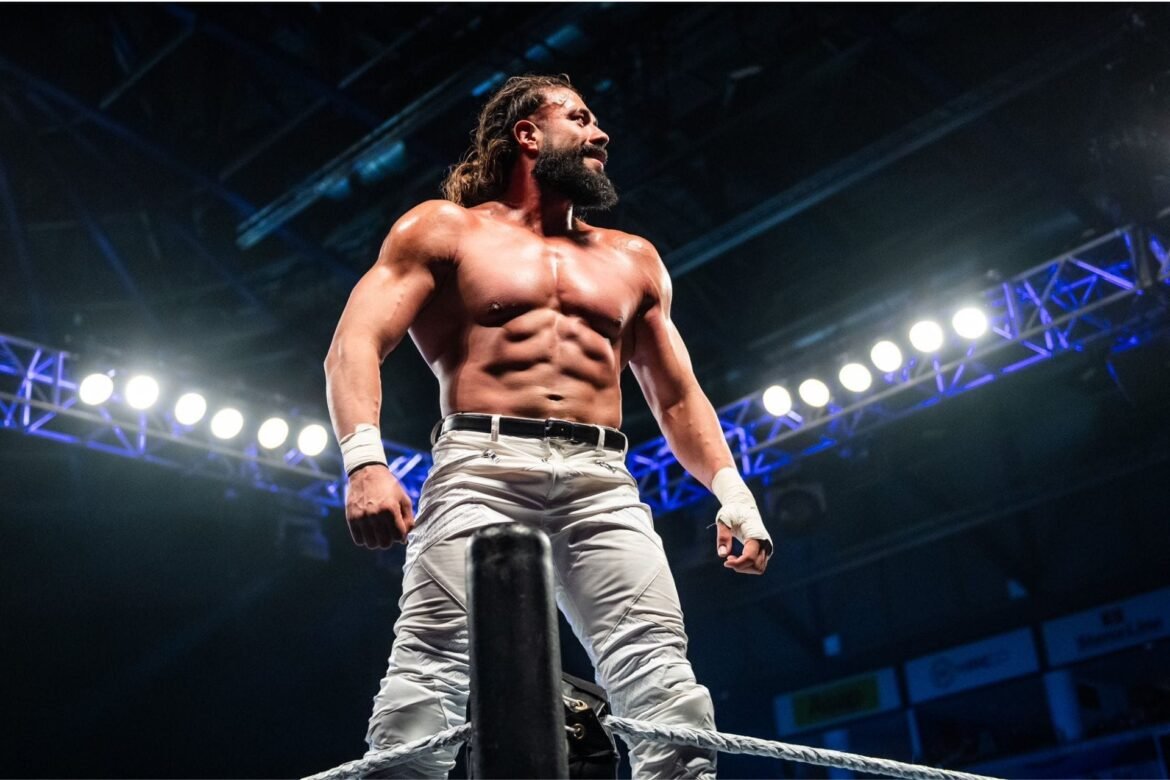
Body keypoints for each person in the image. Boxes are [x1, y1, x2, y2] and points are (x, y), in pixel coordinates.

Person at [324, 73, 773, 779]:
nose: (601, 133)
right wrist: (365, 461)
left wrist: (733, 492)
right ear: (528, 135)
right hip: (481, 468)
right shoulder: (443, 229)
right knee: (427, 679)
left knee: (665, 684)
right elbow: (354, 343)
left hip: (603, 481)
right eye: (581, 118)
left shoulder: (633, 259)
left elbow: (676, 396)